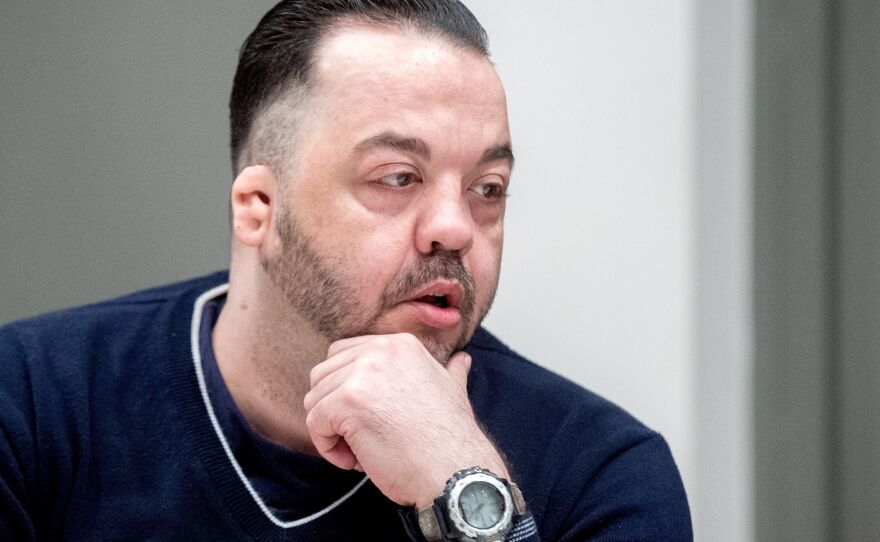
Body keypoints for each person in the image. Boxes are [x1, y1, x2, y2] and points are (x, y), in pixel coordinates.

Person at [0, 1, 692, 540]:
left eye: (488, 188)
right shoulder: (32, 404)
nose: (455, 227)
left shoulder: (600, 469)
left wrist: (464, 489)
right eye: (398, 177)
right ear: (258, 209)